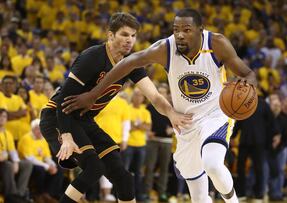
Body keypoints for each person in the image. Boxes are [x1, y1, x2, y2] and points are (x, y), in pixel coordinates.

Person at [61, 8, 257, 203]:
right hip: (186, 122)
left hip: (215, 115)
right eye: (176, 29)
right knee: (198, 197)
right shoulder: (165, 49)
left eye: (187, 29)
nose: (180, 34)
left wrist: (248, 85)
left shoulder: (217, 43)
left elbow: (248, 74)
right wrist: (93, 94)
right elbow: (128, 63)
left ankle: (232, 201)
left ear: (200, 30)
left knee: (212, 164)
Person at [39, 12, 191, 203]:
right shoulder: (92, 56)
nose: (130, 40)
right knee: (94, 168)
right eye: (124, 35)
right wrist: (67, 137)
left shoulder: (133, 63)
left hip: (84, 119)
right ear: (110, 36)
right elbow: (63, 99)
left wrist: (171, 113)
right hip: (58, 116)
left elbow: (154, 95)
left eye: (133, 36)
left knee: (124, 178)